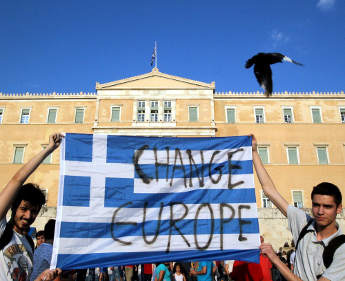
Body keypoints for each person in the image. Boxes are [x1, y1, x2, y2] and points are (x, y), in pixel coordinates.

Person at [251, 134, 345, 281]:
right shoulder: (303, 223)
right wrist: (254, 153)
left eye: (327, 206)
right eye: (316, 205)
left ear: (339, 208)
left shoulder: (342, 249)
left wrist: (275, 259)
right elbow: (269, 191)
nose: (320, 211)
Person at [0, 133, 63, 281]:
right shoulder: (2, 230)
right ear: (14, 207)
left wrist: (41, 278)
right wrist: (49, 149)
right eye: (24, 209)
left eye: (34, 211)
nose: (28, 216)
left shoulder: (29, 243)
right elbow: (17, 179)